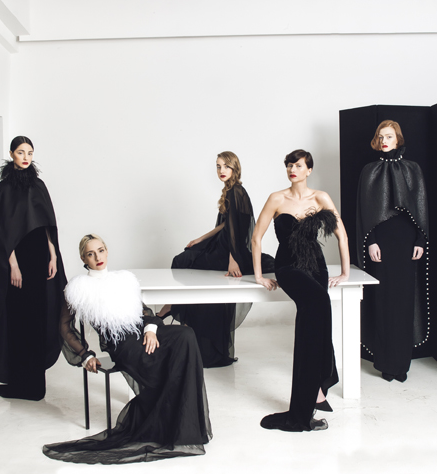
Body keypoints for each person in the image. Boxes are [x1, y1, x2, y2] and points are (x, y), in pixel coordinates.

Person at [43, 234, 211, 464]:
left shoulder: (123, 280)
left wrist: (150, 330)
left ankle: (186, 427)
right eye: (91, 254)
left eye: (101, 250)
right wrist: (85, 355)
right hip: (124, 346)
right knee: (172, 357)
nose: (97, 257)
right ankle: (171, 425)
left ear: (107, 251)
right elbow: (64, 326)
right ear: (83, 258)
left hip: (144, 334)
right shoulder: (78, 288)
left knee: (186, 335)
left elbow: (145, 313)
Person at [252, 149, 350, 432]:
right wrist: (259, 276)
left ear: (309, 170)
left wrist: (345, 272)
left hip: (317, 267)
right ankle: (303, 409)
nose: (292, 170)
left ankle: (315, 391)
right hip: (288, 267)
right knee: (318, 306)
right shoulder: (276, 198)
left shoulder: (320, 198)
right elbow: (256, 238)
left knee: (317, 322)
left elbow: (341, 235)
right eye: (289, 165)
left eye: (297, 165)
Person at [157, 151, 274, 367]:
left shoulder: (236, 191)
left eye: (226, 166)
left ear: (234, 168)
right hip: (223, 244)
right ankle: (178, 311)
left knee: (182, 261)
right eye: (218, 166)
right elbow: (224, 225)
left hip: (230, 250)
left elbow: (237, 229)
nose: (221, 171)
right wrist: (200, 238)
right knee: (184, 257)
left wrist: (233, 259)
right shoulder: (229, 190)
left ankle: (172, 307)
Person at [0, 136, 67, 401]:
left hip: (39, 257)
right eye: (21, 152)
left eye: (30, 152)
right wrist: (13, 265)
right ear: (11, 154)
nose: (26, 157)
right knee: (18, 318)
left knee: (37, 316)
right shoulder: (4, 187)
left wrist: (53, 255)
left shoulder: (38, 184)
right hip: (18, 260)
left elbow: (47, 224)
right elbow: (4, 229)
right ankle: (20, 384)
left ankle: (35, 387)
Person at [356, 120, 429, 383]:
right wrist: (372, 241)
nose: (384, 140)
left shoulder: (412, 169)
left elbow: (421, 207)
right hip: (382, 244)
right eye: (380, 136)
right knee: (383, 300)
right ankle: (385, 362)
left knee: (404, 300)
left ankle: (401, 363)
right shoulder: (369, 171)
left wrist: (420, 240)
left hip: (406, 243)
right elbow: (365, 210)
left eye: (389, 136)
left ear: (398, 139)